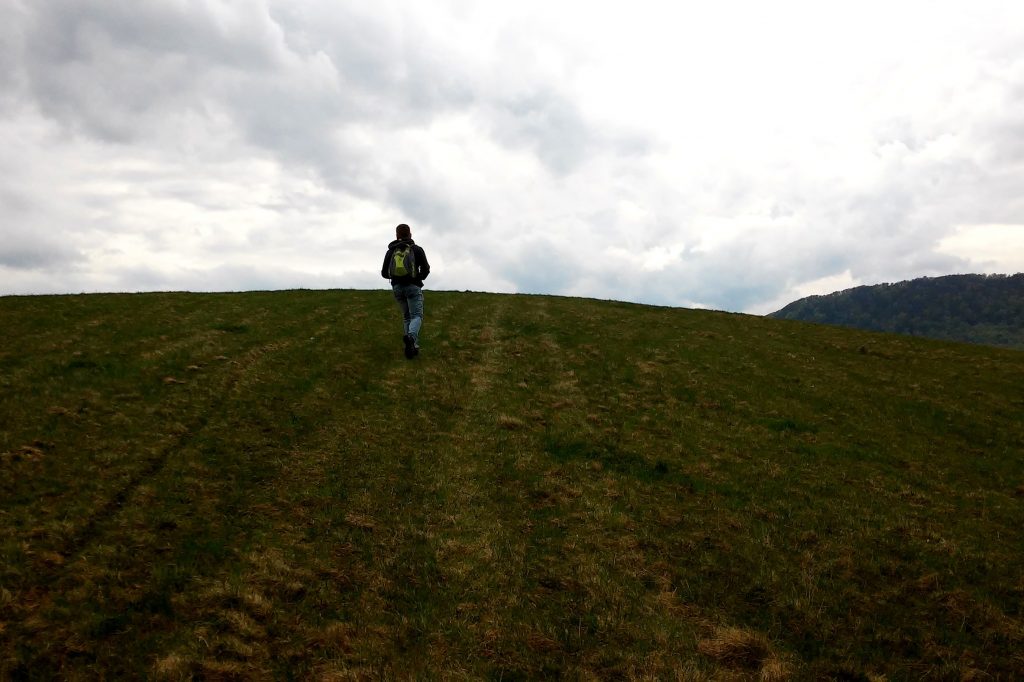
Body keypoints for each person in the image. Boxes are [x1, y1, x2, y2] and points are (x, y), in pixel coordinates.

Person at [381, 223, 430, 358]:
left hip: (397, 288)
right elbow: (426, 269)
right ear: (410, 234)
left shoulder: (391, 251)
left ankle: (412, 348)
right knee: (417, 316)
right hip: (413, 286)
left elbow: (384, 273)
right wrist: (418, 278)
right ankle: (411, 338)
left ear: (396, 235)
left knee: (407, 316)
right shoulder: (417, 249)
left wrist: (396, 278)